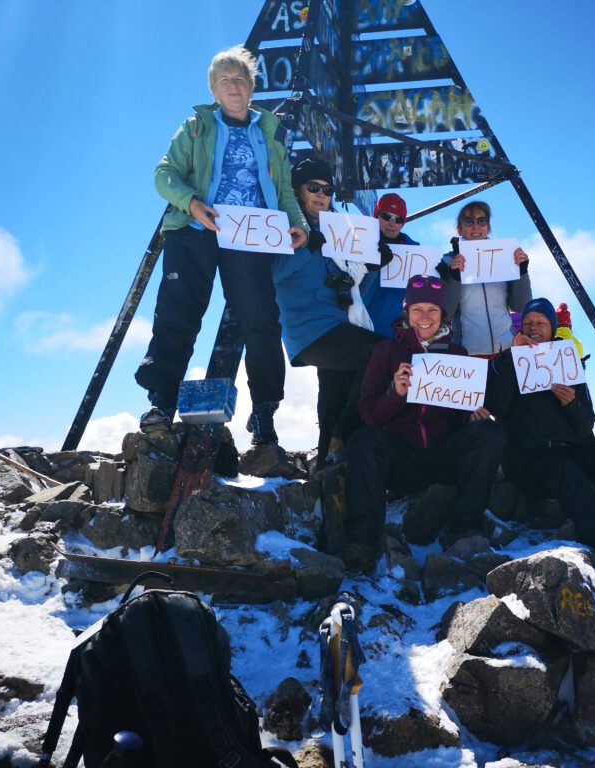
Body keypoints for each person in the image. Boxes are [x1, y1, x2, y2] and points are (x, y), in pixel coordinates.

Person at [136, 46, 309, 444]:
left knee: (261, 319)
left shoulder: (268, 134)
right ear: (214, 90)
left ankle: (264, 412)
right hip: (197, 229)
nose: (234, 86)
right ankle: (161, 401)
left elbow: (283, 189)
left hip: (251, 235)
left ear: (252, 89)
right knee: (178, 312)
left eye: (241, 79)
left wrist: (298, 224)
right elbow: (164, 174)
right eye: (225, 80)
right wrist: (191, 203)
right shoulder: (196, 127)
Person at [341, 276, 504, 572]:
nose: (425, 317)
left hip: (444, 458)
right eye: (417, 309)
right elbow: (368, 414)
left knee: (489, 432)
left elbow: (463, 413)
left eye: (433, 309)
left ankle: (464, 527)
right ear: (406, 313)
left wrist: (473, 416)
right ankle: (362, 541)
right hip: (402, 459)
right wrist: (395, 394)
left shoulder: (458, 355)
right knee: (363, 440)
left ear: (444, 314)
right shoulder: (386, 351)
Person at [485, 297, 595, 564]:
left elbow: (585, 425)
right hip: (529, 462)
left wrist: (571, 403)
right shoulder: (507, 361)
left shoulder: (567, 360)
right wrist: (513, 359)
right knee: (566, 472)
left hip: (572, 451)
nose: (534, 327)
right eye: (527, 323)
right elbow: (497, 406)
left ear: (553, 327)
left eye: (541, 322)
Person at [272, 158, 390, 469]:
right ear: (297, 191)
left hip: (339, 325)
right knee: (382, 352)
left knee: (335, 393)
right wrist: (308, 245)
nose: (322, 194)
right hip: (309, 331)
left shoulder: (336, 232)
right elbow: (273, 273)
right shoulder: (283, 225)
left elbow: (353, 293)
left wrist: (374, 269)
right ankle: (345, 434)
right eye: (313, 187)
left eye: (327, 189)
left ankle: (327, 463)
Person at [438, 201, 532, 357]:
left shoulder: (505, 256)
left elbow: (520, 305)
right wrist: (454, 276)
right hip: (468, 353)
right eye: (469, 222)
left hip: (507, 349)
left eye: (482, 221)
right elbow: (446, 312)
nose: (476, 226)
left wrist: (522, 271)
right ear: (459, 229)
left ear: (488, 227)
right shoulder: (446, 262)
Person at [360, 192, 419, 334]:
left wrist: (442, 274)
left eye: (398, 219)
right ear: (376, 216)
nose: (392, 223)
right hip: (362, 328)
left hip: (401, 335)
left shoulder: (417, 253)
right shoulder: (358, 245)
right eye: (386, 216)